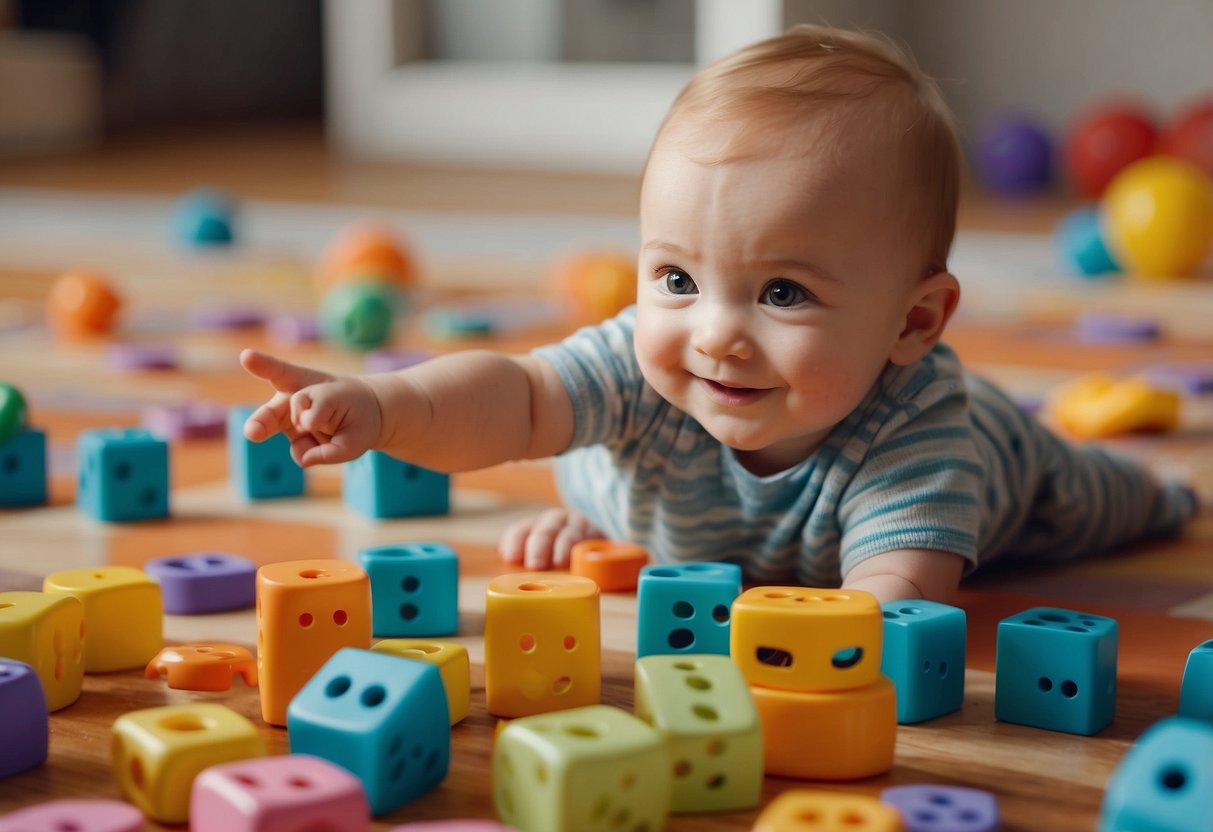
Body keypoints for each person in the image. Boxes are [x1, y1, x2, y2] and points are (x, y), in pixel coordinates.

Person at [241, 24, 1196, 604]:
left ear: (912, 325)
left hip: (1024, 480)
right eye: (676, 279)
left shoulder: (916, 431)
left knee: (1122, 497)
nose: (714, 333)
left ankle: (1171, 491)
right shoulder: (645, 359)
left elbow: (896, 602)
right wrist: (384, 408)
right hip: (695, 529)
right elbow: (515, 397)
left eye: (783, 293)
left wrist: (830, 636)